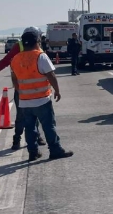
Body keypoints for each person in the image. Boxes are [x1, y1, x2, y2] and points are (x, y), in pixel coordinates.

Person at [0, 26, 45, 150]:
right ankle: (17, 138)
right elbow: (4, 62)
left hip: (36, 88)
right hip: (22, 87)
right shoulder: (19, 46)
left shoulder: (38, 46)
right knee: (21, 115)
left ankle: (37, 136)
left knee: (35, 114)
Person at [10, 30, 73, 161]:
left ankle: (33, 152)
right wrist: (57, 90)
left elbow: (14, 79)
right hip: (41, 100)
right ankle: (55, 150)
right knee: (48, 126)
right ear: (37, 41)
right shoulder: (40, 56)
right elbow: (51, 75)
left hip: (25, 101)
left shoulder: (15, 59)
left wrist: (21, 92)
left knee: (30, 128)